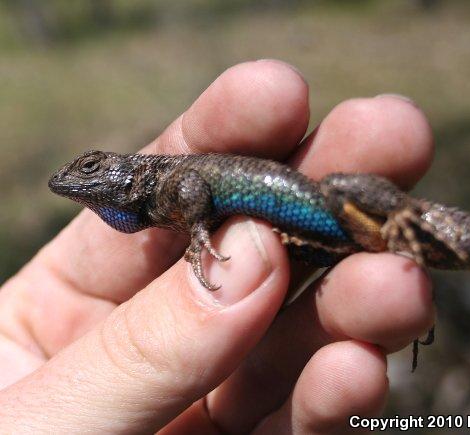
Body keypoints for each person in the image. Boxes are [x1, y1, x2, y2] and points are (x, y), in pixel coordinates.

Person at [0, 60, 434, 433]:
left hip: (311, 208)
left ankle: (410, 257)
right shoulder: (154, 201)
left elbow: (192, 188)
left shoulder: (166, 181)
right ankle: (410, 292)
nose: (81, 179)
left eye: (93, 168)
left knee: (379, 238)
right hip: (318, 238)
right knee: (372, 283)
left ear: (125, 171)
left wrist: (198, 232)